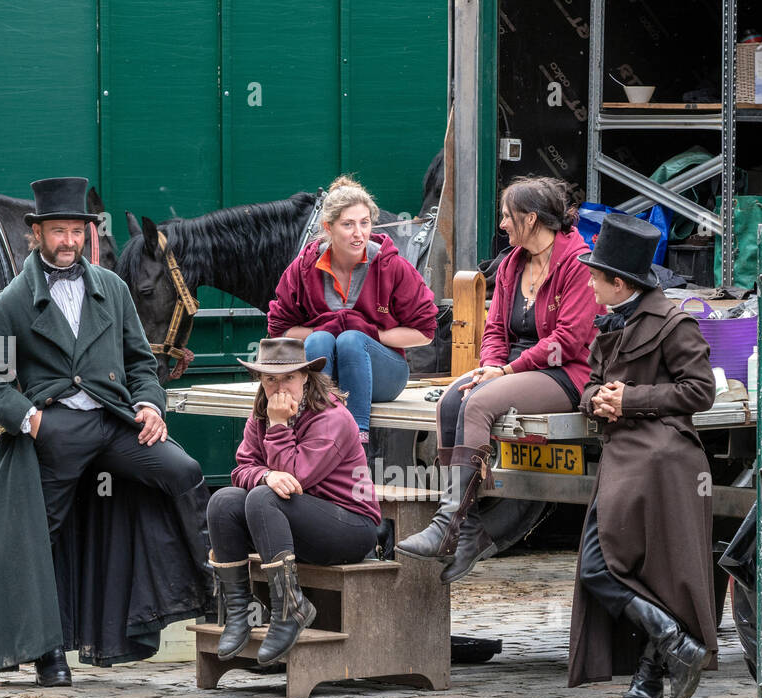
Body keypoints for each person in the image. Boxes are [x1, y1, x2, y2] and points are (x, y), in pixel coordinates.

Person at [0, 176, 213, 685]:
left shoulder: (113, 289)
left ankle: (219, 599)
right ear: (37, 235)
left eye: (76, 231)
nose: (68, 242)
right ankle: (48, 651)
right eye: (58, 232)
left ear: (87, 234)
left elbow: (141, 363)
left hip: (114, 424)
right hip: (52, 431)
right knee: (41, 537)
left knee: (183, 471)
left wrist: (149, 404)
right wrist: (29, 419)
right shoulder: (11, 301)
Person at [397, 176, 600, 582]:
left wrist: (504, 371)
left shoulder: (578, 262)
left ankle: (446, 527)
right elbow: (494, 332)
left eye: (508, 216)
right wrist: (489, 366)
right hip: (512, 367)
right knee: (453, 398)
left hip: (564, 370)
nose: (503, 224)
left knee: (480, 402)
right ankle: (464, 527)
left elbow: (569, 339)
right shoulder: (512, 263)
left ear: (531, 218)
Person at [568, 212, 718, 698]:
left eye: (595, 276)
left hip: (663, 460)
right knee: (603, 565)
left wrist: (630, 399)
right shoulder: (610, 321)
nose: (588, 282)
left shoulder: (674, 323)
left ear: (619, 282)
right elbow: (589, 384)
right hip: (625, 456)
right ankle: (672, 651)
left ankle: (659, 664)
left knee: (614, 565)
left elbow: (700, 391)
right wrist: (598, 401)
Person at [206, 337, 381, 665]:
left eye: (288, 377)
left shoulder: (332, 417)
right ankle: (238, 612)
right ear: (260, 380)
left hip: (350, 526)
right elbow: (242, 469)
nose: (279, 387)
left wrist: (277, 426)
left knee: (263, 498)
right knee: (223, 502)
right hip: (294, 521)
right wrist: (264, 475)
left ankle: (290, 609)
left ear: (305, 376)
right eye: (271, 379)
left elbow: (295, 476)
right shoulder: (262, 413)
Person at [267, 175, 437, 452]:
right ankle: (312, 429)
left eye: (365, 223)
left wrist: (373, 334)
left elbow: (424, 332)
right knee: (320, 341)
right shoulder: (303, 268)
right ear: (328, 227)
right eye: (348, 224)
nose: (359, 233)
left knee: (352, 340)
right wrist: (325, 332)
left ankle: (357, 437)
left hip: (385, 374)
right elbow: (279, 328)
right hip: (325, 368)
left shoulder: (392, 267)